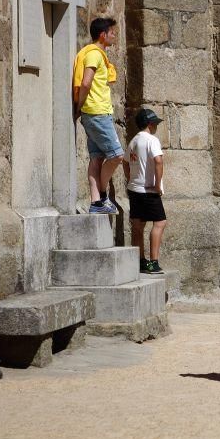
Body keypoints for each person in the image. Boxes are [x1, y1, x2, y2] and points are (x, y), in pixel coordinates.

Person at [73, 17, 123, 214]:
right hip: (97, 112)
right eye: (112, 32)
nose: (114, 35)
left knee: (96, 158)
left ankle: (95, 203)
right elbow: (86, 83)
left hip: (93, 112)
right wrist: (81, 105)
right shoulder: (94, 54)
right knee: (117, 155)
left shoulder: (90, 52)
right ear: (103, 34)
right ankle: (102, 196)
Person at [123, 109, 167, 275]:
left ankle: (140, 261)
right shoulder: (151, 140)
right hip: (148, 190)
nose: (156, 126)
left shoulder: (133, 141)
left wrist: (130, 178)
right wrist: (157, 185)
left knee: (138, 224)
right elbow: (158, 161)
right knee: (160, 222)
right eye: (155, 123)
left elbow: (125, 162)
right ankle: (153, 263)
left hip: (134, 189)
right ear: (150, 124)